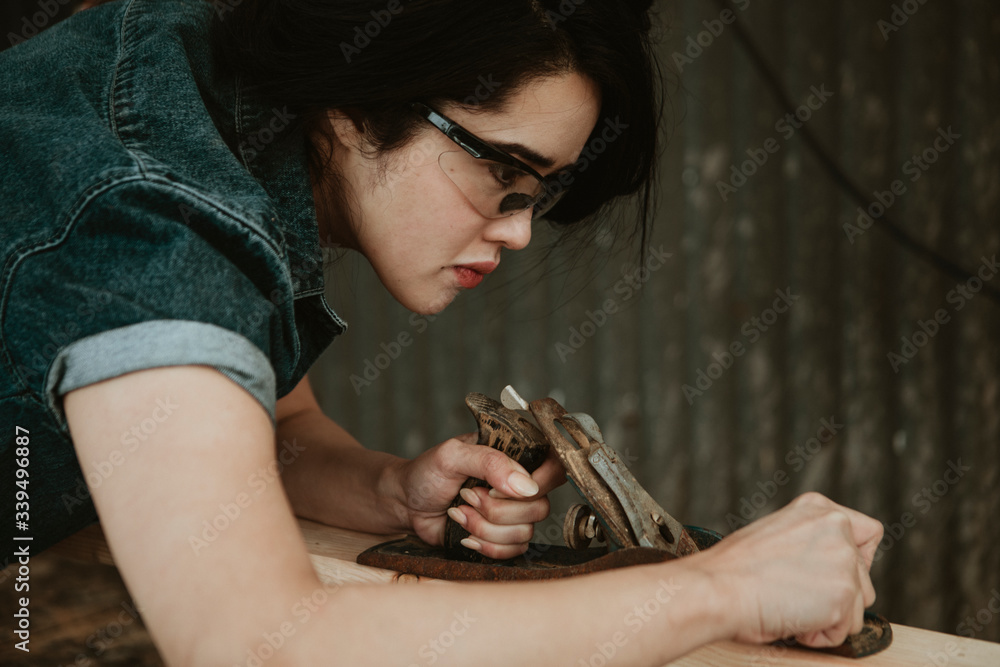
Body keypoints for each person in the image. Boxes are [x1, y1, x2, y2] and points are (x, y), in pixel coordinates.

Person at [0, 0, 882, 664]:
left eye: (542, 193)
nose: (518, 228)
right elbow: (259, 643)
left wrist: (389, 492)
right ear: (356, 101)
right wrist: (723, 588)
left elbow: (274, 431)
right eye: (503, 169)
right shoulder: (158, 225)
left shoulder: (221, 101)